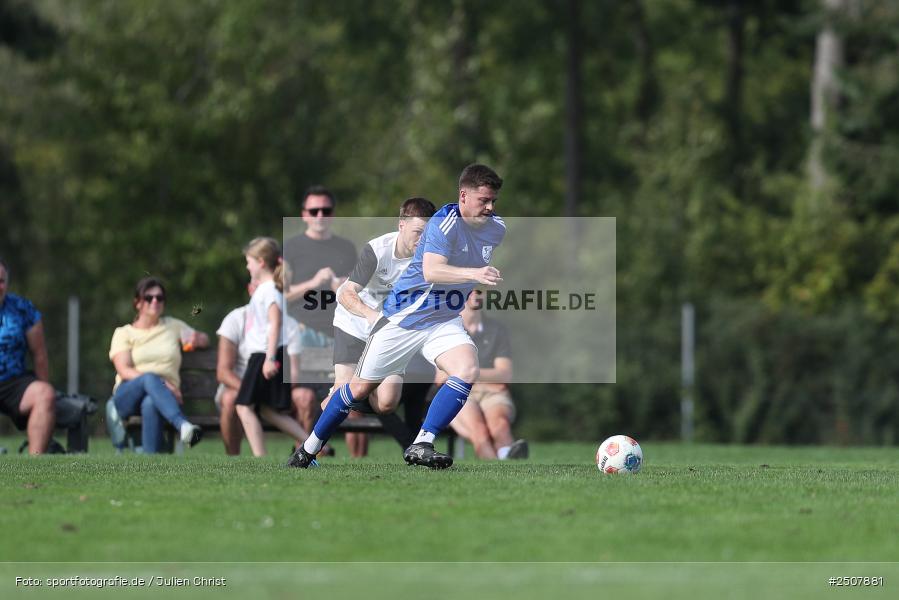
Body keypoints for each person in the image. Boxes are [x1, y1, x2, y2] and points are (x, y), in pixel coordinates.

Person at [288, 163, 505, 469]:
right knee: (357, 389)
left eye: (494, 200)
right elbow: (432, 270)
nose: (490, 207)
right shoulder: (442, 223)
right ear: (463, 196)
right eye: (484, 200)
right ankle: (307, 450)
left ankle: (422, 443)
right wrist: (474, 273)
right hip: (404, 318)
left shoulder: (497, 227)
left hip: (442, 320)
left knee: (467, 368)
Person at [330, 197, 437, 456]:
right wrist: (371, 315)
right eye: (417, 232)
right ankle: (309, 449)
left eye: (428, 234)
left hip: (387, 332)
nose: (422, 240)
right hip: (353, 324)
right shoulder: (377, 250)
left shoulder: (428, 260)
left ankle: (346, 391)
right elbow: (346, 294)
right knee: (344, 393)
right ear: (401, 225)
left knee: (387, 403)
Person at [284, 186, 357, 437]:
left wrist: (343, 286)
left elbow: (360, 292)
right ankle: (308, 455)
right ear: (304, 214)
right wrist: (312, 284)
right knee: (303, 399)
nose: (319, 215)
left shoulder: (347, 248)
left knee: (353, 401)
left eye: (325, 210)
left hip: (341, 335)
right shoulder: (291, 248)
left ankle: (362, 472)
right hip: (304, 336)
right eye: (314, 210)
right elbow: (280, 295)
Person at [108, 277, 208, 453]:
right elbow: (124, 370)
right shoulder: (124, 333)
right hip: (128, 394)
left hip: (161, 398)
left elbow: (204, 339)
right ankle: (182, 425)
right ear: (137, 302)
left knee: (150, 403)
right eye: (149, 297)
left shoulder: (173, 326)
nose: (155, 301)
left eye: (159, 298)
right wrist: (163, 383)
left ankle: (151, 463)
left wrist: (198, 339)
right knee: (149, 378)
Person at [234, 237, 309, 456]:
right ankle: (314, 443)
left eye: (248, 261)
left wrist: (268, 359)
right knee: (266, 409)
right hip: (270, 353)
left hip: (265, 355)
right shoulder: (267, 289)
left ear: (260, 262)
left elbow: (275, 323)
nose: (247, 266)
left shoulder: (268, 291)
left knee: (243, 405)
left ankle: (260, 457)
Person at [215, 279, 305, 455]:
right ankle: (234, 457)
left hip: (271, 385)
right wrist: (252, 392)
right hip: (244, 386)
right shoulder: (235, 319)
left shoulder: (288, 324)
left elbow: (293, 372)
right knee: (234, 399)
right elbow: (223, 372)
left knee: (303, 398)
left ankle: (306, 451)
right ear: (250, 291)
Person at [439, 290, 528, 459]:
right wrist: (486, 378)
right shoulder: (447, 329)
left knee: (499, 426)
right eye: (469, 289)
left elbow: (504, 374)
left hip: (492, 393)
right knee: (479, 432)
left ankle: (507, 460)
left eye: (479, 290)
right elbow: (439, 377)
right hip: (459, 392)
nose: (475, 294)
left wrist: (466, 373)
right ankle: (502, 469)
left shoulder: (497, 329)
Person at [0, 259, 56, 454]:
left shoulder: (23, 309)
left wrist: (49, 400)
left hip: (14, 382)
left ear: (7, 283)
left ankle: (35, 464)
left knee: (45, 394)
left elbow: (39, 354)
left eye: (1, 280)